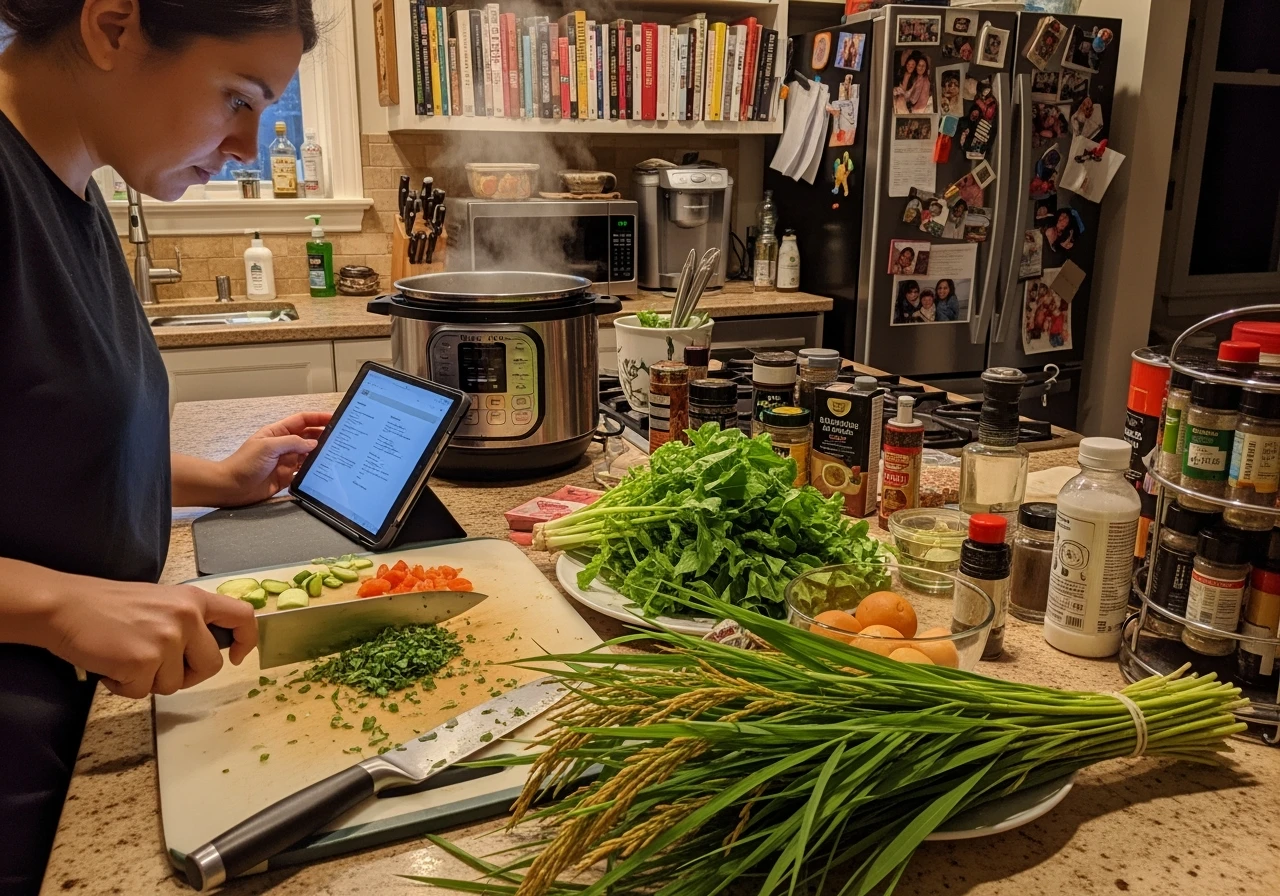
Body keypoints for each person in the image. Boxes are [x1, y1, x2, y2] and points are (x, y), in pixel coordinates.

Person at [0, 1, 324, 890]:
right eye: (238, 98)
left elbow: (38, 443)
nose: (250, 147)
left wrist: (214, 479)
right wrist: (58, 606)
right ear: (113, 28)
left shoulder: (75, 180)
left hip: (85, 720)